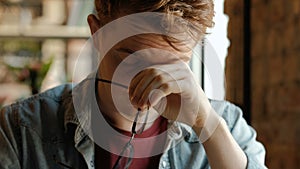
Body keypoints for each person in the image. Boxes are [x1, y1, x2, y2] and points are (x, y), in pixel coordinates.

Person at [0, 0, 267, 168]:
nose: (150, 82)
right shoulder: (21, 130)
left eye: (172, 65)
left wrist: (206, 123)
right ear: (97, 33)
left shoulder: (227, 126)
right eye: (131, 58)